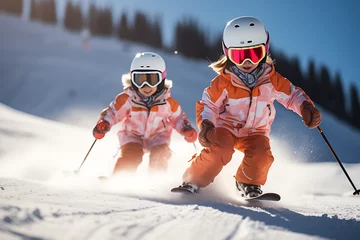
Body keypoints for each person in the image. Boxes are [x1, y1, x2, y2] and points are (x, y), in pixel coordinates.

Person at [178, 16, 322, 197]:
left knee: (262, 155)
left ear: (265, 51)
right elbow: (209, 105)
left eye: (254, 53)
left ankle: (248, 183)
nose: (247, 61)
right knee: (219, 150)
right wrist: (207, 125)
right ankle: (192, 179)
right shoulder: (224, 82)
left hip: (255, 132)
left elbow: (292, 95)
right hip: (226, 129)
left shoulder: (271, 80)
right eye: (239, 55)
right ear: (228, 54)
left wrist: (305, 108)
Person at [93, 52, 198, 174]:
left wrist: (186, 129)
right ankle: (120, 179)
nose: (146, 86)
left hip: (158, 138)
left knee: (160, 155)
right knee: (131, 155)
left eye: (152, 80)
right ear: (133, 79)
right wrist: (104, 123)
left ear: (161, 80)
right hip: (133, 136)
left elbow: (179, 117)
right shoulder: (128, 98)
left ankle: (156, 182)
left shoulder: (168, 102)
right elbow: (113, 112)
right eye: (140, 80)